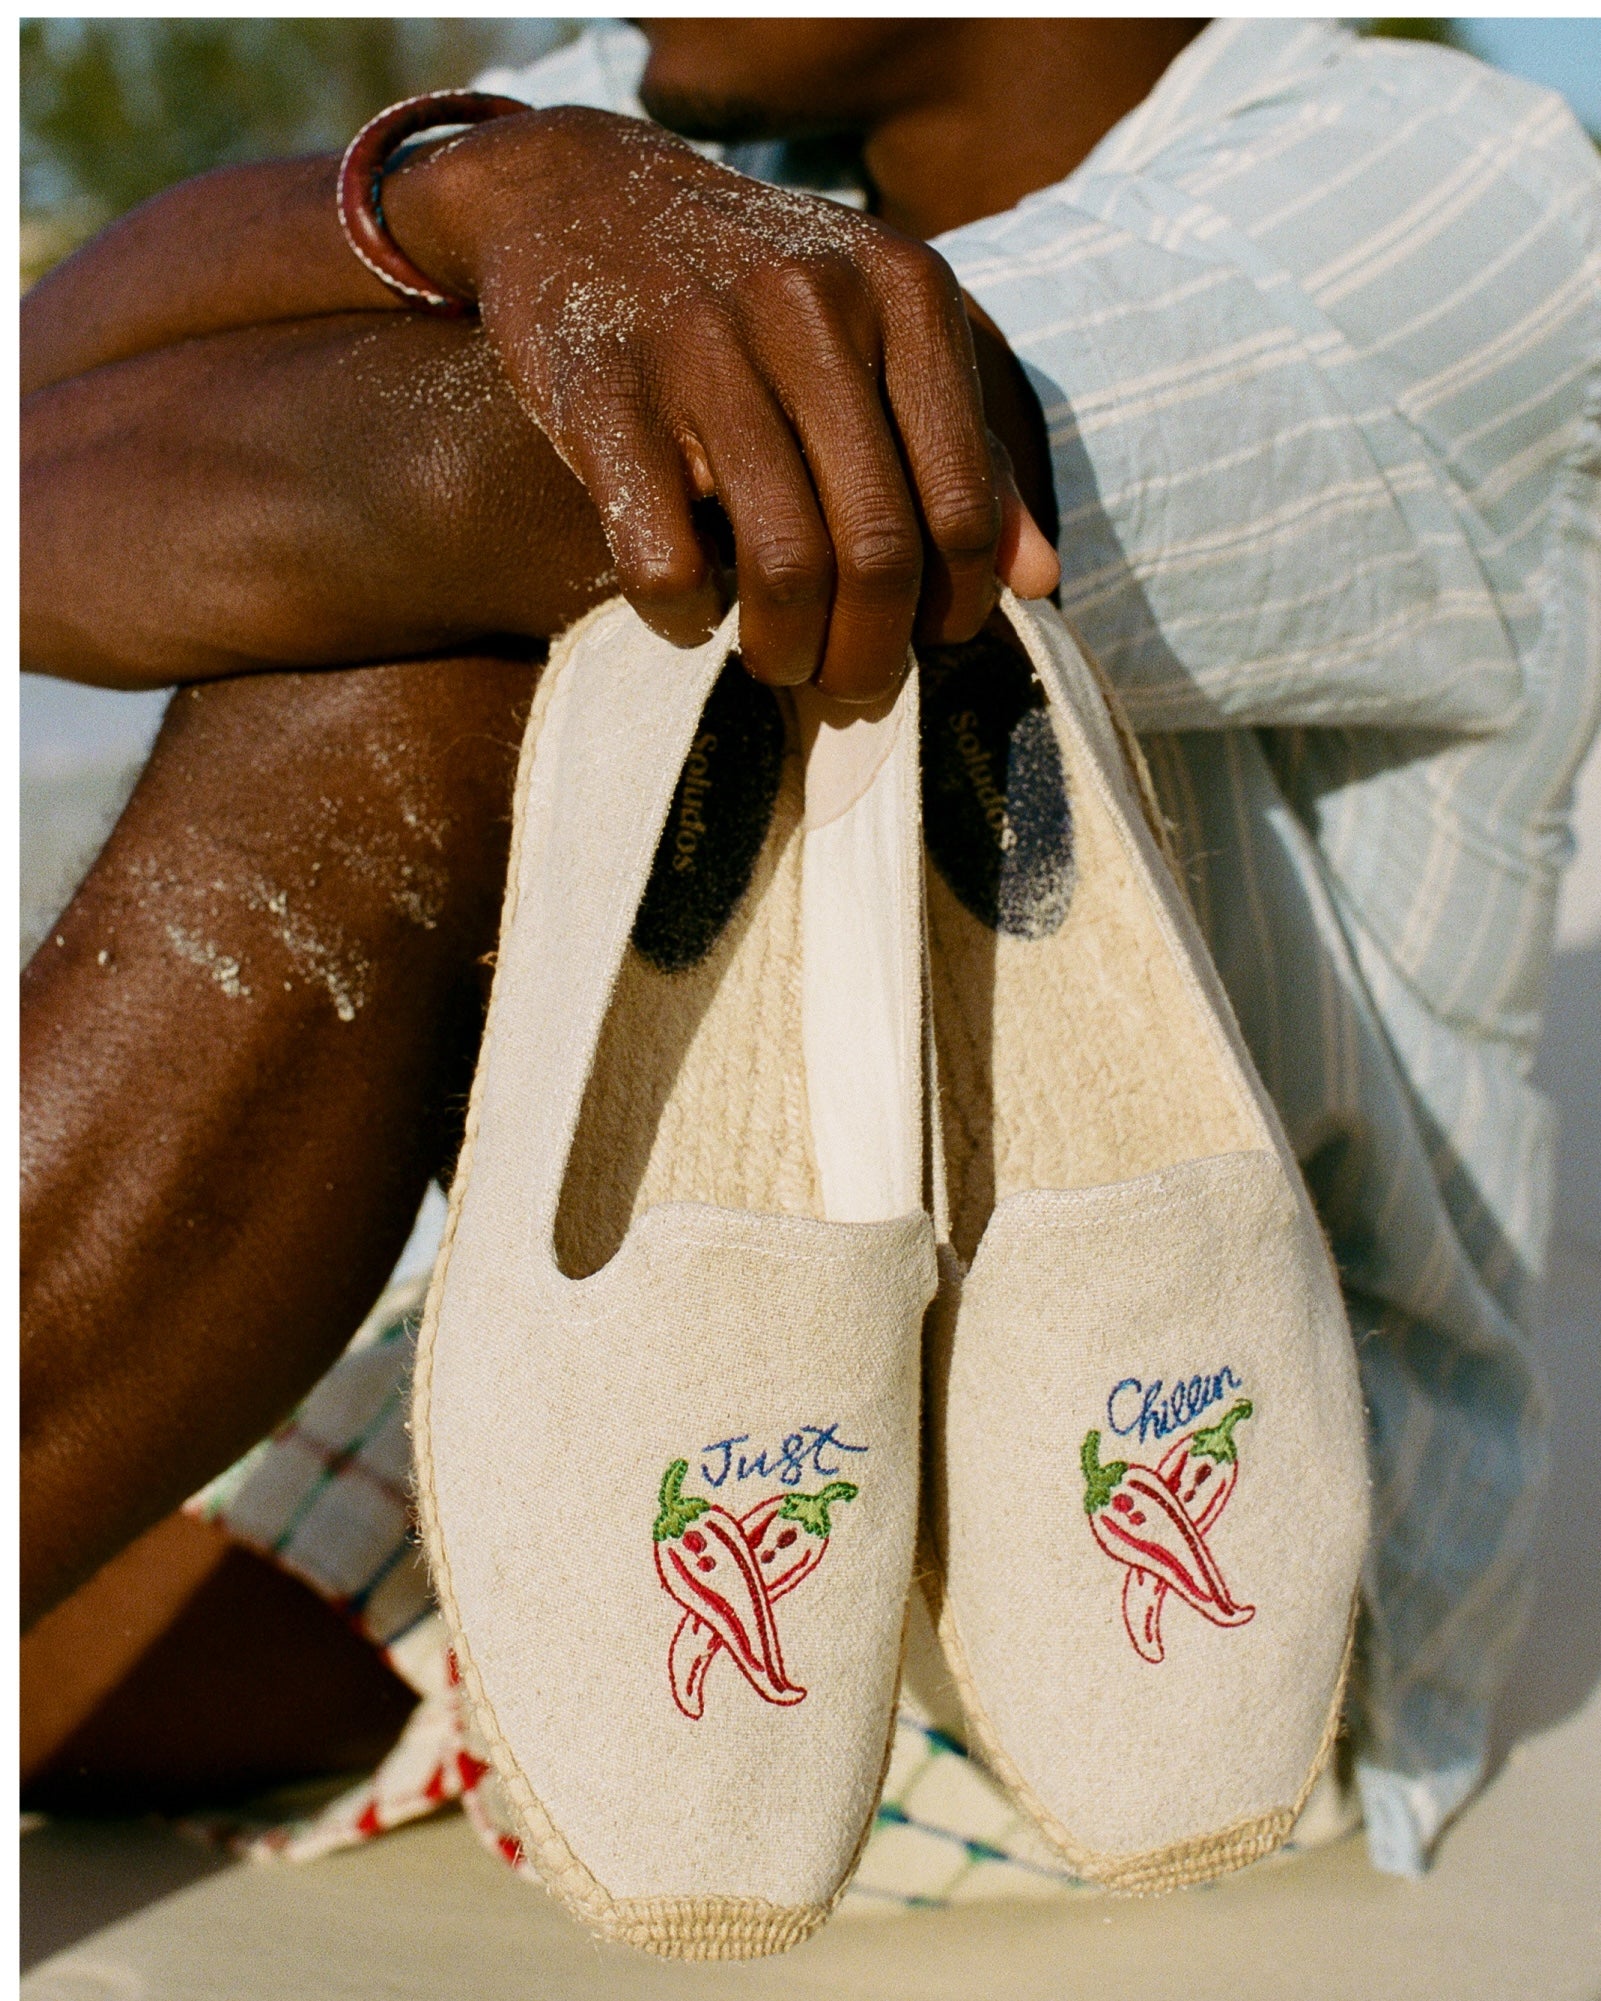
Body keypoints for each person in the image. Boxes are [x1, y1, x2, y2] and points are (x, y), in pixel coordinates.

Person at [20, 19, 1600, 1887]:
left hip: (1154, 1546)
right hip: (635, 1347)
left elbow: (634, 495)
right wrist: (476, 187)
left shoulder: (1436, 191)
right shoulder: (687, 144)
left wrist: (519, 260)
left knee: (393, 684)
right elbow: (42, 396)